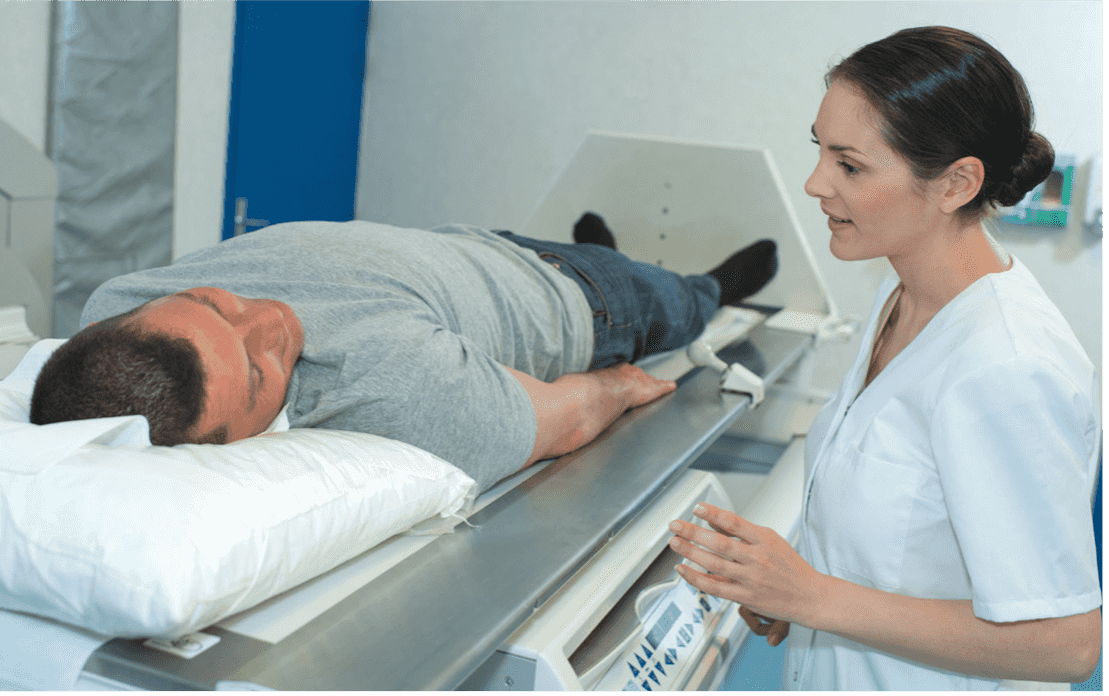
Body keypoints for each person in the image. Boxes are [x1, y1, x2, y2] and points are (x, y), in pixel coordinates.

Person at [667, 26, 1101, 689]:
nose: (815, 184)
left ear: (955, 183)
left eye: (849, 165)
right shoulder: (901, 295)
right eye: (819, 151)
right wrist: (783, 592)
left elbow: (1063, 645)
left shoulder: (1007, 367)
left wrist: (809, 597)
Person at [29, 214, 778, 492]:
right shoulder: (393, 389)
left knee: (650, 287)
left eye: (213, 303)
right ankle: (712, 287)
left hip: (470, 245)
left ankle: (635, 263)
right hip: (586, 302)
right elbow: (571, 414)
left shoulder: (114, 308)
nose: (273, 319)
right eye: (260, 371)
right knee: (673, 305)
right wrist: (618, 385)